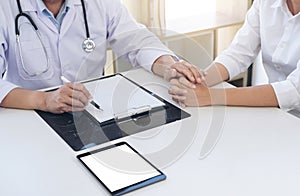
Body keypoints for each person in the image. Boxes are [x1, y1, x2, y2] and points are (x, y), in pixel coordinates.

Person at [0, 0, 203, 114]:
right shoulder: (5, 7)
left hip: (93, 108)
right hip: (26, 111)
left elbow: (135, 39)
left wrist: (168, 65)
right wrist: (43, 99)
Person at [169, 0, 300, 110]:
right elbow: (238, 54)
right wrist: (198, 82)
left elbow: (294, 90)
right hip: (278, 112)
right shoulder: (265, 2)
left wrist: (208, 96)